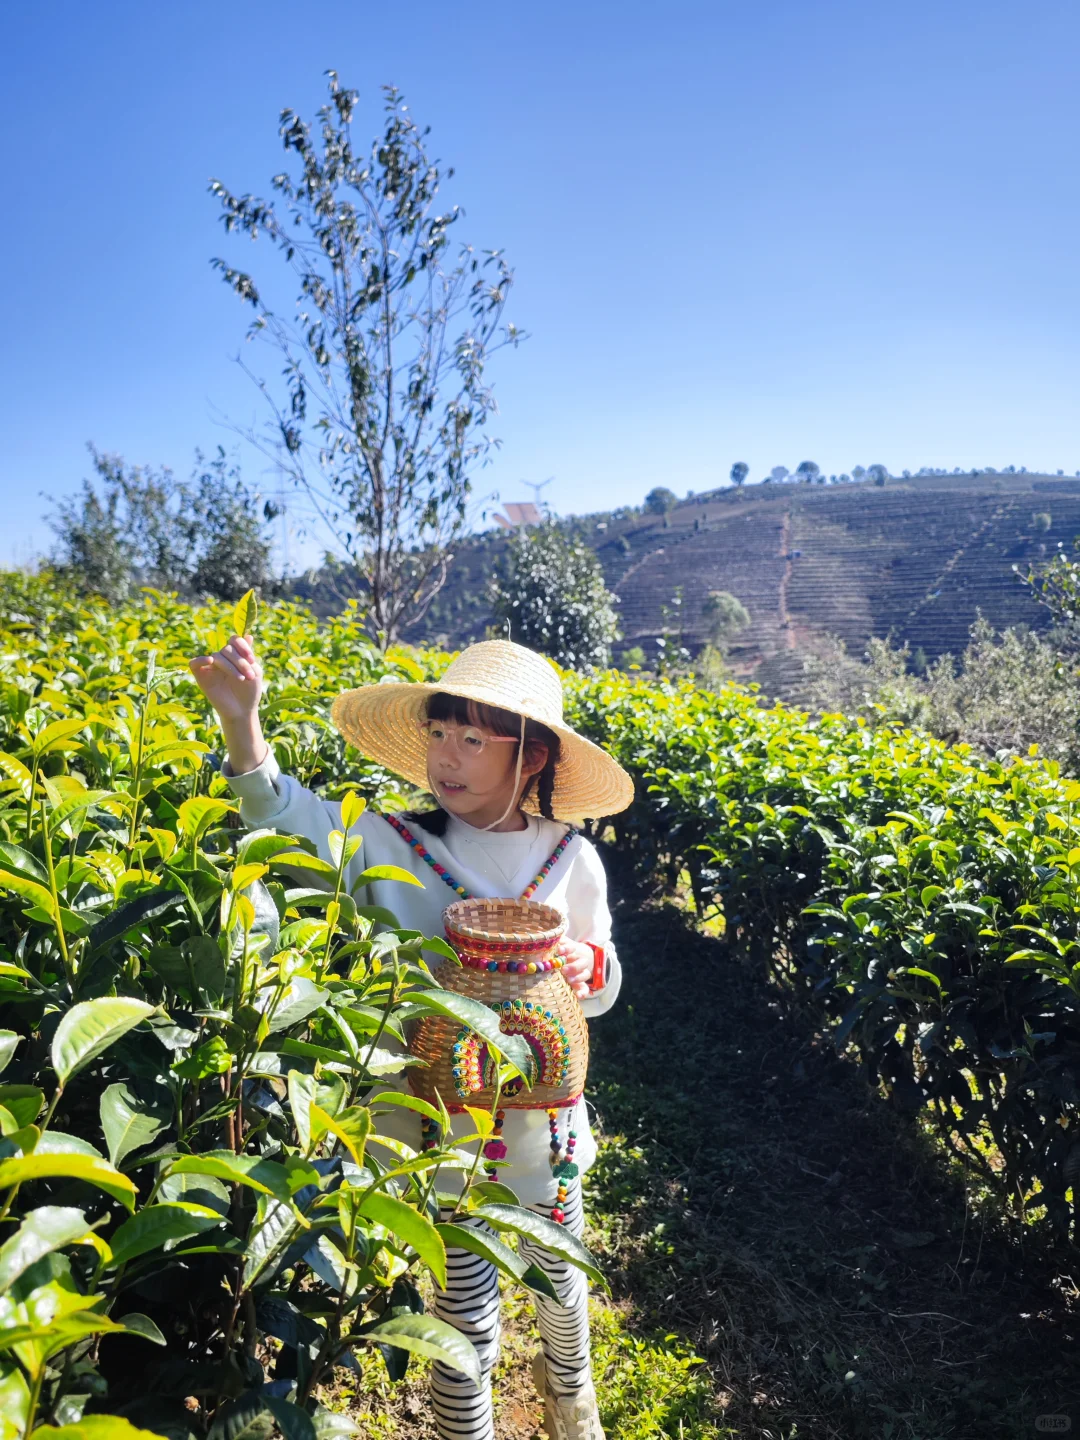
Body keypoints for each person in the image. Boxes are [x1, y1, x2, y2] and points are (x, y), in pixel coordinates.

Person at [189, 634, 634, 1440]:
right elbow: (290, 821)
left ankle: (572, 1398)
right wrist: (242, 727)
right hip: (446, 1139)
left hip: (546, 1137)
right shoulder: (397, 844)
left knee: (561, 1287)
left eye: (472, 738)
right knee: (465, 1316)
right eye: (438, 734)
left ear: (530, 758)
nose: (447, 757)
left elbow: (602, 988)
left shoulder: (573, 859)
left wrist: (586, 964)